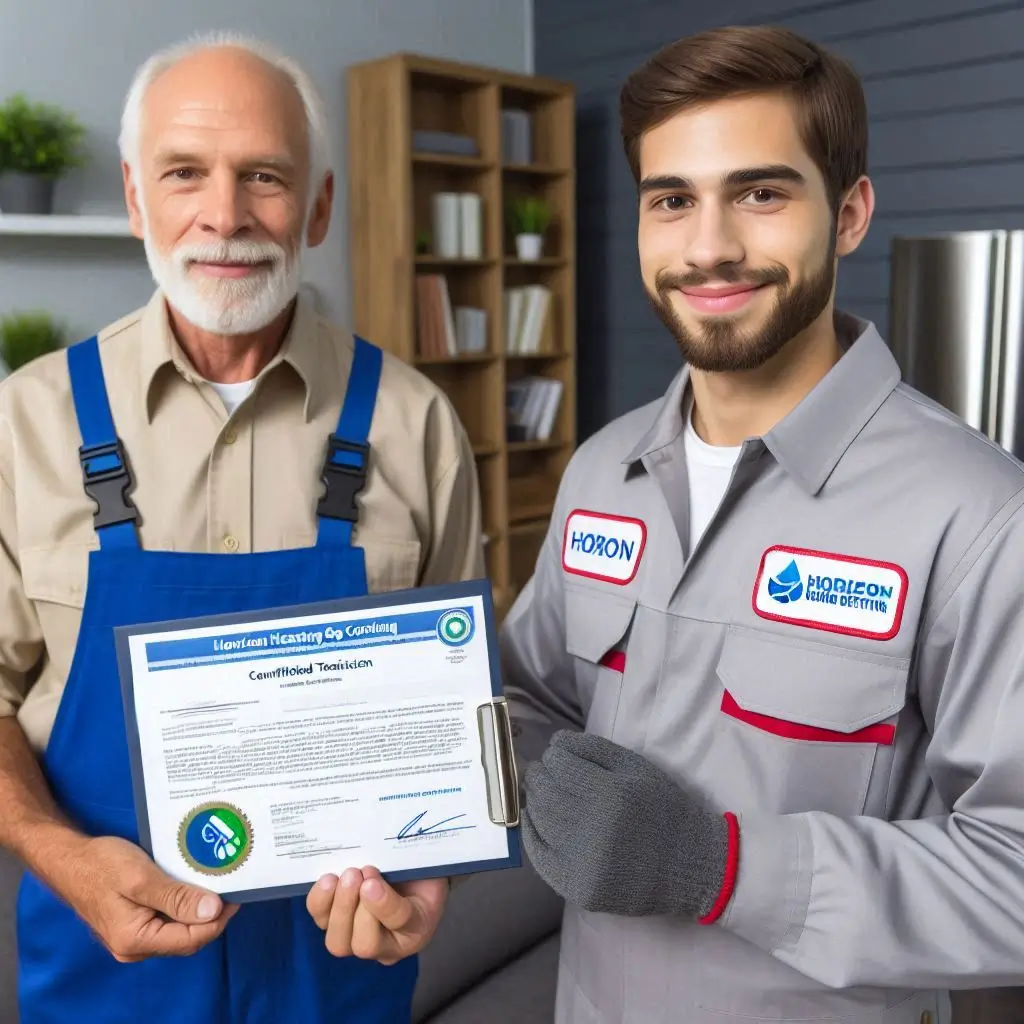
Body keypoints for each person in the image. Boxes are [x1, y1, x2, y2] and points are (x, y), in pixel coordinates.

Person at [501, 24, 1024, 1024]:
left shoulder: (979, 514)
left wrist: (726, 866)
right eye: (671, 201)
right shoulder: (598, 474)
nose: (708, 247)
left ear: (849, 213)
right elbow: (530, 708)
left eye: (759, 192)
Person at [0, 32, 481, 1024]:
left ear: (318, 204)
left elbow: (459, 711)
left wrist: (435, 875)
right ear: (138, 198)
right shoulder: (26, 423)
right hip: (104, 969)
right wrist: (63, 859)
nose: (225, 216)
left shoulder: (415, 422)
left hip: (339, 970)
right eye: (186, 174)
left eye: (264, 175)